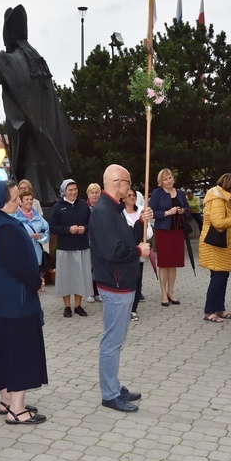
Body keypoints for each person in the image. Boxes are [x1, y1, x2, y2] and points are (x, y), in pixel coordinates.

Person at [0, 4, 75, 204]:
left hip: (28, 129)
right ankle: (47, 195)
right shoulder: (37, 60)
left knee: (31, 169)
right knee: (40, 168)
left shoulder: (14, 60)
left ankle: (39, 198)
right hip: (45, 132)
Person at [0, 180, 48, 425]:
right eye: (15, 197)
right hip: (16, 302)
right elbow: (19, 266)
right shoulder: (5, 227)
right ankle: (17, 410)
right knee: (20, 352)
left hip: (0, 302)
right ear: (1, 201)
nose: (19, 201)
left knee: (5, 350)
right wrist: (36, 282)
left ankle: (6, 400)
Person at [89, 164, 152, 412]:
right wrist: (138, 251)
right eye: (128, 181)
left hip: (122, 283)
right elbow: (112, 251)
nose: (130, 186)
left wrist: (140, 225)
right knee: (112, 341)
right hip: (115, 285)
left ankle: (113, 384)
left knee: (117, 339)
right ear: (117, 183)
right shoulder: (104, 211)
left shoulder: (113, 209)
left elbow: (124, 238)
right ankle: (109, 393)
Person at [199, 173, 231, 323]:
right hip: (215, 245)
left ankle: (219, 308)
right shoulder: (218, 200)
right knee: (218, 278)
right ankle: (209, 311)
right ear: (230, 185)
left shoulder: (222, 198)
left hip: (220, 245)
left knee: (222, 277)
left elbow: (227, 215)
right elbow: (219, 223)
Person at [50, 179, 92, 317]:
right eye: (70, 190)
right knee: (66, 277)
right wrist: (68, 229)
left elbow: (91, 224)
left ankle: (78, 305)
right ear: (64, 191)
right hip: (65, 247)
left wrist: (83, 229)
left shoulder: (83, 205)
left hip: (81, 246)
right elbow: (53, 227)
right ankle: (67, 306)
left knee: (80, 276)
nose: (73, 192)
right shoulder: (58, 207)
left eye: (75, 189)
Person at [149, 168, 191, 306]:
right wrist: (167, 213)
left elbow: (189, 209)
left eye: (170, 177)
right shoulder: (157, 193)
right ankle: (163, 294)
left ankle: (171, 292)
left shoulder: (180, 193)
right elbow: (152, 212)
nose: (169, 181)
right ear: (161, 181)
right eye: (166, 179)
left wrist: (181, 211)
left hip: (177, 232)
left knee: (173, 264)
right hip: (164, 232)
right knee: (164, 263)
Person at [123, 189, 153, 322]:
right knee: (126, 281)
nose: (131, 198)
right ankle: (125, 308)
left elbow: (149, 232)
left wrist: (142, 238)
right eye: (128, 195)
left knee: (137, 280)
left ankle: (133, 309)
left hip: (139, 251)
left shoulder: (142, 210)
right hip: (125, 252)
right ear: (123, 198)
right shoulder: (120, 213)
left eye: (133, 195)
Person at [15, 190, 50, 271]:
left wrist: (40, 238)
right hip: (21, 258)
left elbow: (47, 236)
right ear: (20, 203)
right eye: (27, 199)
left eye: (31, 199)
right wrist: (24, 237)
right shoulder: (15, 219)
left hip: (37, 258)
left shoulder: (39, 219)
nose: (29, 201)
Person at [85, 182, 103, 304]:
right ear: (88, 194)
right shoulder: (84, 207)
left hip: (101, 241)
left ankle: (98, 292)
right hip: (87, 240)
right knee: (89, 267)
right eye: (92, 192)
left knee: (99, 267)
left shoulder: (103, 207)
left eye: (97, 192)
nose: (94, 195)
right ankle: (89, 292)